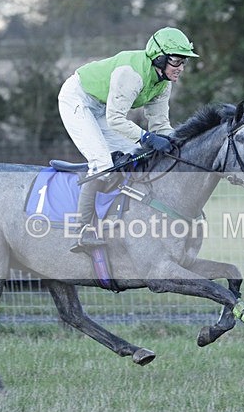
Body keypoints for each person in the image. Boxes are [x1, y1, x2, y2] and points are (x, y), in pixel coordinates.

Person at [58, 26, 198, 253]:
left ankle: (118, 218)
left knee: (134, 155)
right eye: (176, 61)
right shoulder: (131, 74)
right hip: (78, 99)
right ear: (159, 58)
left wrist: (179, 143)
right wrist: (147, 138)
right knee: (103, 163)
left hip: (102, 108)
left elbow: (160, 125)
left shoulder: (163, 83)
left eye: (184, 62)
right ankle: (81, 230)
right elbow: (115, 119)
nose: (181, 68)